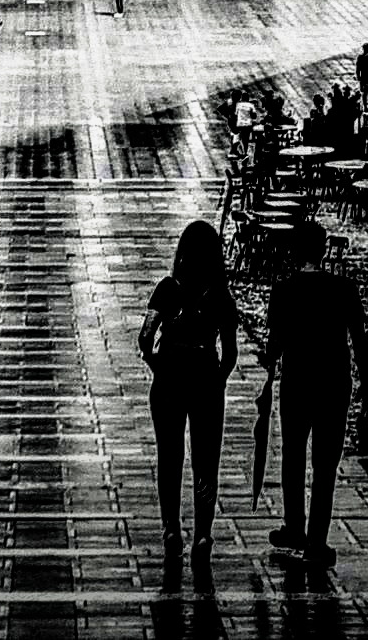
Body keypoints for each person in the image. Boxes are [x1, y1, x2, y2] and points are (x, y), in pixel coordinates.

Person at [265, 220, 368, 569]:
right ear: (324, 249)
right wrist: (367, 386)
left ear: (294, 251)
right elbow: (360, 340)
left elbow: (274, 344)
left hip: (296, 384)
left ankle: (294, 527)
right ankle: (317, 541)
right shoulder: (344, 288)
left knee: (293, 458)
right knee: (325, 465)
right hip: (333, 384)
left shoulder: (283, 290)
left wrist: (267, 363)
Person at [138, 218, 238, 572]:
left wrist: (157, 365)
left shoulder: (167, 289)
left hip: (169, 376)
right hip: (205, 377)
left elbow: (145, 337)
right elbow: (230, 353)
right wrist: (217, 379)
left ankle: (170, 529)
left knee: (170, 457)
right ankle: (203, 534)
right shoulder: (221, 295)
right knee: (205, 461)